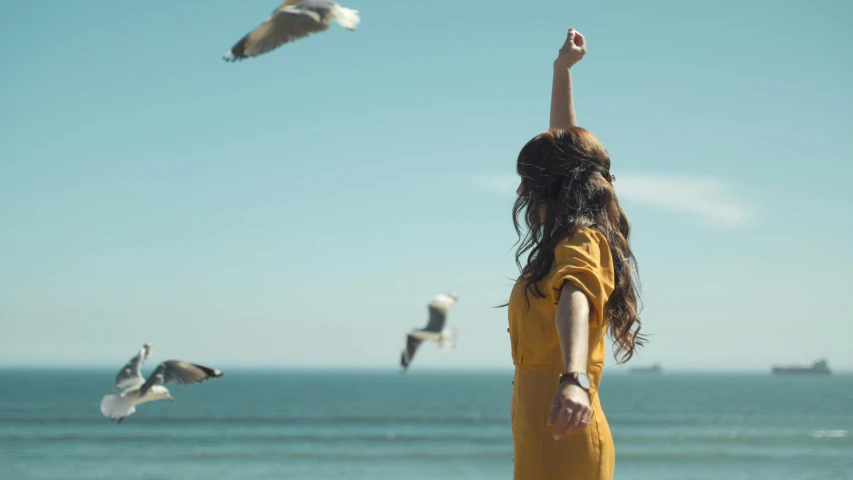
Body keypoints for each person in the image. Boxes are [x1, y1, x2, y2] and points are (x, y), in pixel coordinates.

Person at [507, 28, 645, 480]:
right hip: (542, 430)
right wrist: (561, 71)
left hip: (564, 430)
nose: (521, 189)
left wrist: (572, 378)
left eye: (528, 179)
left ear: (551, 187)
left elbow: (576, 298)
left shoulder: (581, 242)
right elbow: (567, 148)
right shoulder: (568, 235)